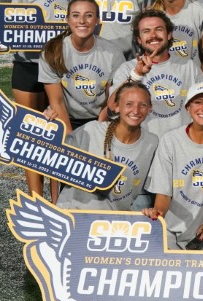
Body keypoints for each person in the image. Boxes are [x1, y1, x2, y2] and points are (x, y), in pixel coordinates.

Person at [0, 0, 85, 120]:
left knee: (59, 127)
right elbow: (10, 26)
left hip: (61, 66)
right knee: (29, 126)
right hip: (30, 65)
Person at [143, 81, 203, 251]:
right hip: (171, 229)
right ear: (188, 107)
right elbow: (163, 194)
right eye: (198, 102)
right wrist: (157, 213)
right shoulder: (170, 140)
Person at [57, 81, 158, 211]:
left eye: (143, 105)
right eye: (129, 104)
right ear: (116, 107)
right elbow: (53, 156)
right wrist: (48, 126)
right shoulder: (91, 131)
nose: (136, 110)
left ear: (150, 108)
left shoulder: (152, 143)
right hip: (74, 212)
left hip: (113, 221)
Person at [110, 8, 203, 136]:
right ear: (139, 39)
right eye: (146, 31)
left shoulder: (188, 66)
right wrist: (136, 75)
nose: (153, 35)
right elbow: (112, 107)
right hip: (144, 144)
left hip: (180, 144)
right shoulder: (127, 69)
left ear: (169, 34)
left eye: (159, 29)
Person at [39, 0, 124, 135]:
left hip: (100, 117)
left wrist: (98, 130)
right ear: (68, 19)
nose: (82, 21)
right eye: (76, 15)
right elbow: (57, 101)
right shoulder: (52, 51)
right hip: (65, 116)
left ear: (97, 20)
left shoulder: (113, 53)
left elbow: (111, 101)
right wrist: (69, 138)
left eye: (89, 15)